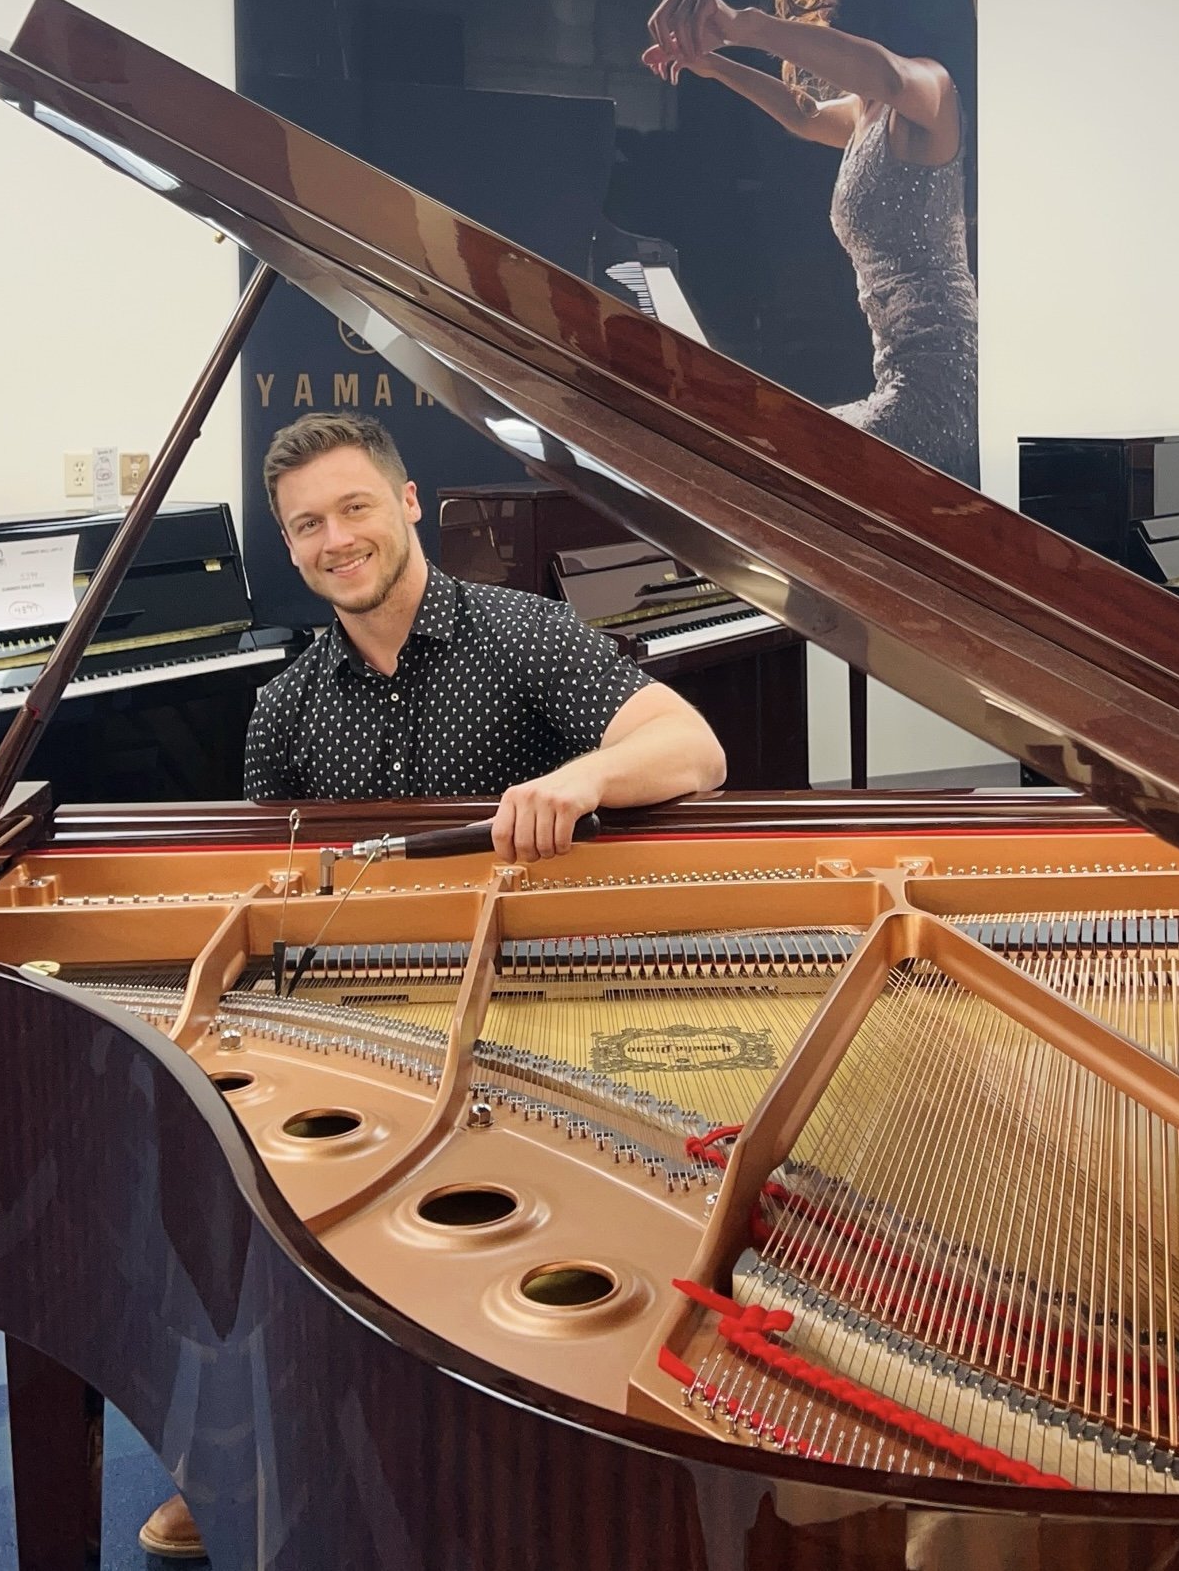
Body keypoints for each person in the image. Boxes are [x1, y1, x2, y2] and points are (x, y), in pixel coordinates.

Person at [139, 410, 725, 1560]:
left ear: (407, 505)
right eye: (308, 525)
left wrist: (585, 774)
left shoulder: (521, 634)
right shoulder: (286, 706)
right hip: (365, 1009)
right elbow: (280, 894)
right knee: (234, 1170)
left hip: (539, 988)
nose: (335, 539)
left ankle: (550, 1429)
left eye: (355, 507)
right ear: (292, 548)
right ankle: (239, 1435)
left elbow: (692, 747)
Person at [643, 0, 980, 485]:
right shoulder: (872, 111)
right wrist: (714, 64)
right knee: (756, 455)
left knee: (766, 465)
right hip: (904, 379)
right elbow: (804, 114)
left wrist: (742, 25)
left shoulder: (931, 88)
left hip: (940, 389)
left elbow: (890, 73)